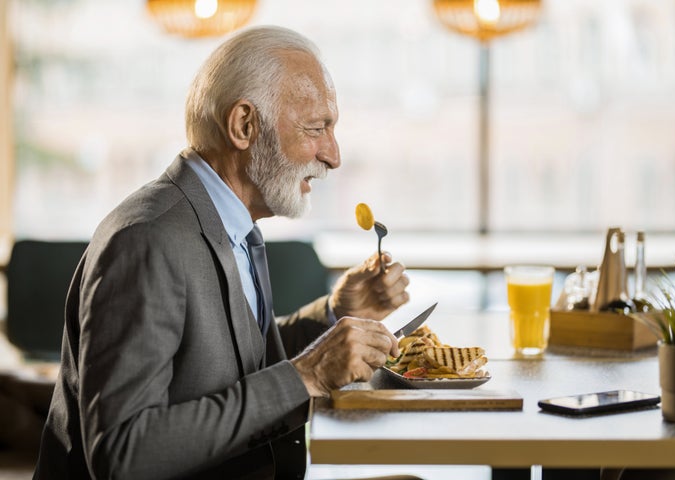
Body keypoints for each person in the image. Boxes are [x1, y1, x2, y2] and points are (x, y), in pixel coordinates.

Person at [33, 25, 410, 480]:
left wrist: (335, 313)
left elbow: (228, 363)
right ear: (244, 125)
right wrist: (306, 377)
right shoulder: (147, 240)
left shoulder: (230, 222)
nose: (333, 155)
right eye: (317, 129)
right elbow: (122, 453)